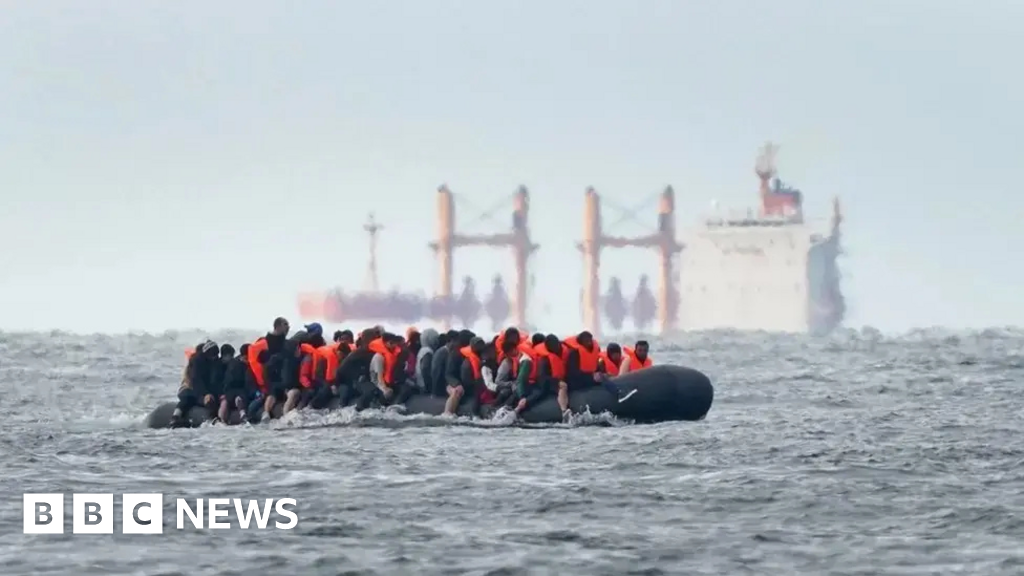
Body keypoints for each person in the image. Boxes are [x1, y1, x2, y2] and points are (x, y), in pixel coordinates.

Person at [246, 317, 290, 419]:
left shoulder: (286, 343)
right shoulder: (263, 344)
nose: (288, 327)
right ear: (278, 326)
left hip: (283, 379)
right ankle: (257, 415)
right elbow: (257, 365)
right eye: (285, 324)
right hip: (267, 382)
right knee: (269, 395)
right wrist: (262, 385)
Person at [170, 340, 220, 427]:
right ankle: (175, 417)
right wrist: (205, 394)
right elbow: (196, 380)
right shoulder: (196, 363)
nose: (214, 357)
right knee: (187, 398)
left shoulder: (212, 364)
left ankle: (213, 418)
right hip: (191, 390)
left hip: (202, 391)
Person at [359, 332, 414, 410]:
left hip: (389, 382)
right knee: (387, 394)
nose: (394, 346)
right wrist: (385, 389)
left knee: (406, 389)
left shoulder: (393, 354)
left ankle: (396, 405)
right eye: (392, 343)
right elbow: (379, 378)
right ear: (386, 343)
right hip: (378, 384)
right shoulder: (379, 357)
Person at [529, 334, 567, 420]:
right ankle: (564, 410)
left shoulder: (565, 352)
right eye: (552, 346)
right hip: (547, 383)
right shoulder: (545, 359)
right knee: (563, 386)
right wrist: (557, 381)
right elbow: (542, 377)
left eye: (556, 345)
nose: (555, 348)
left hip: (561, 379)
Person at [281, 332, 318, 414]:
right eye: (296, 349)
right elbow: (287, 382)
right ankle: (285, 415)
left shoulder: (305, 355)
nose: (298, 350)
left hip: (301, 385)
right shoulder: (287, 362)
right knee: (293, 394)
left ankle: (299, 410)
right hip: (291, 388)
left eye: (298, 348)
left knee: (305, 393)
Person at [442, 330, 475, 415]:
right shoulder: (455, 354)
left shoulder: (471, 354)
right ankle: (447, 413)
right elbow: (449, 374)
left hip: (467, 383)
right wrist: (457, 384)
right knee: (457, 391)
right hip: (451, 382)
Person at [219, 343, 250, 422]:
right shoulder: (239, 365)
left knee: (226, 401)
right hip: (233, 390)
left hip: (228, 390)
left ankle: (221, 420)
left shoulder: (232, 363)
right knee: (236, 398)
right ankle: (241, 413)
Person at [428, 330, 457, 397]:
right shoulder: (442, 352)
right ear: (452, 340)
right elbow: (436, 371)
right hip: (439, 388)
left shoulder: (448, 351)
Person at [415, 328, 439, 395]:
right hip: (424, 384)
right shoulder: (428, 351)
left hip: (420, 382)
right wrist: (429, 385)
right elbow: (425, 368)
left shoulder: (422, 349)